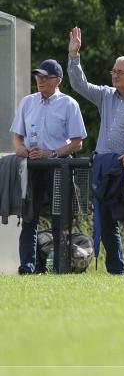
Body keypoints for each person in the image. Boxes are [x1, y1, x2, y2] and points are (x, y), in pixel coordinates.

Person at [67, 27, 124, 274]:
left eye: (119, 72)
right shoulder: (106, 95)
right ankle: (115, 271)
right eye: (113, 71)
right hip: (106, 169)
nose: (114, 75)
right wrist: (74, 56)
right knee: (107, 224)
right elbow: (79, 84)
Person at [10, 60, 87, 274]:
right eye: (38, 77)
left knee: (59, 219)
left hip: (58, 168)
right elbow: (17, 136)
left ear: (58, 80)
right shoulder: (27, 102)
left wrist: (51, 153)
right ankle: (27, 267)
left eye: (45, 77)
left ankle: (60, 267)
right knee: (29, 218)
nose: (40, 81)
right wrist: (20, 149)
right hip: (32, 168)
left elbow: (77, 142)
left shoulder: (69, 103)